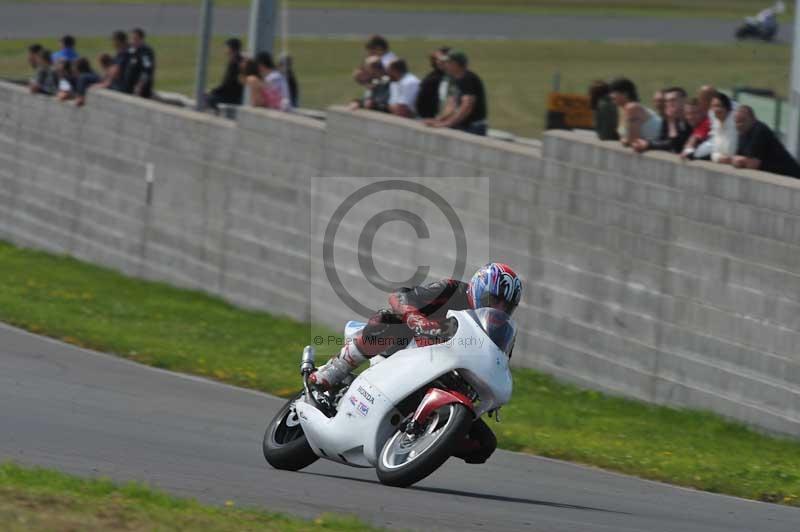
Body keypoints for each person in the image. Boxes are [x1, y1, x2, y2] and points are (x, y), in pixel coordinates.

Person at [309, 262, 523, 465]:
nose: (500, 308)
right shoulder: (452, 290)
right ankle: (336, 369)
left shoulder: (500, 332)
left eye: (507, 306)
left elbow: (499, 363)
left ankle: (426, 443)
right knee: (389, 320)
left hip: (449, 379)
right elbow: (399, 297)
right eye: (494, 300)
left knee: (484, 445)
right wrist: (416, 319)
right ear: (478, 288)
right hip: (408, 349)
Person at [425, 50, 488, 136]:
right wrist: (438, 120)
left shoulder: (467, 79)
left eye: (447, 62)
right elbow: (452, 105)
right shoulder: (455, 79)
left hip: (473, 127)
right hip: (465, 125)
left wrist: (447, 124)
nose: (445, 65)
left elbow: (467, 106)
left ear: (456, 64)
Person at [732, 106, 800, 178]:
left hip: (790, 176)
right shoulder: (742, 134)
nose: (739, 125)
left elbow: (753, 164)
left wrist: (739, 161)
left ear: (753, 119)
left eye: (742, 121)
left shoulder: (759, 130)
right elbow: (737, 158)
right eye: (736, 122)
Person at [632, 87, 690, 153]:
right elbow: (662, 139)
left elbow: (676, 146)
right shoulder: (669, 119)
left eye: (673, 100)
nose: (669, 104)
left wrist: (649, 144)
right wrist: (645, 143)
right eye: (667, 101)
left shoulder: (691, 118)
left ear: (684, 100)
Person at [608, 77, 661, 147]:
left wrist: (624, 140)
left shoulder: (632, 108)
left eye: (613, 92)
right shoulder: (623, 109)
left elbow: (633, 140)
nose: (610, 96)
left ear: (625, 93)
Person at [207, 38, 244, 109]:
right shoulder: (236, 61)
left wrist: (213, 91)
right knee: (207, 97)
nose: (225, 49)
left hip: (233, 97)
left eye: (227, 47)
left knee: (208, 98)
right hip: (231, 94)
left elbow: (228, 85)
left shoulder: (236, 63)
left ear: (231, 49)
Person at [416, 46, 450, 119]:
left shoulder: (452, 78)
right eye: (437, 59)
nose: (439, 62)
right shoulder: (434, 77)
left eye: (443, 60)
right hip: (429, 117)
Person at [708, 92, 738, 164]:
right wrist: (718, 158)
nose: (715, 109)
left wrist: (719, 157)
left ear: (727, 108)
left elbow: (731, 152)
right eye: (713, 106)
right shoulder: (716, 123)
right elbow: (714, 152)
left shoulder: (735, 124)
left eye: (719, 106)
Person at [126, 28, 156, 98]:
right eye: (131, 38)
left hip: (141, 90)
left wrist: (139, 86)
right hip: (129, 87)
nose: (132, 41)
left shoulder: (145, 52)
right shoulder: (131, 50)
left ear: (141, 39)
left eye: (135, 39)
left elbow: (147, 71)